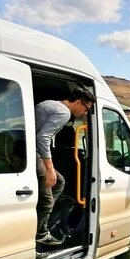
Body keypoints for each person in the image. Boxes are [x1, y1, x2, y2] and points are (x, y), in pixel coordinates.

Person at [35, 87, 95, 246]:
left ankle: (42, 220)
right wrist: (49, 168)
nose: (85, 113)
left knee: (60, 182)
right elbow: (43, 137)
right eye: (86, 109)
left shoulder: (50, 104)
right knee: (48, 198)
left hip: (25, 149)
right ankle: (40, 233)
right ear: (78, 102)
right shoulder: (64, 113)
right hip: (32, 153)